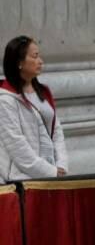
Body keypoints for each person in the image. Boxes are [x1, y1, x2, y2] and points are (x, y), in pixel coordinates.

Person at [0, 36, 67, 181]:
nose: (40, 61)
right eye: (35, 56)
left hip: (50, 176)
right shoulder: (5, 100)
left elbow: (56, 130)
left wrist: (61, 164)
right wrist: (50, 172)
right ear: (19, 63)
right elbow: (17, 146)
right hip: (22, 180)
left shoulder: (43, 92)